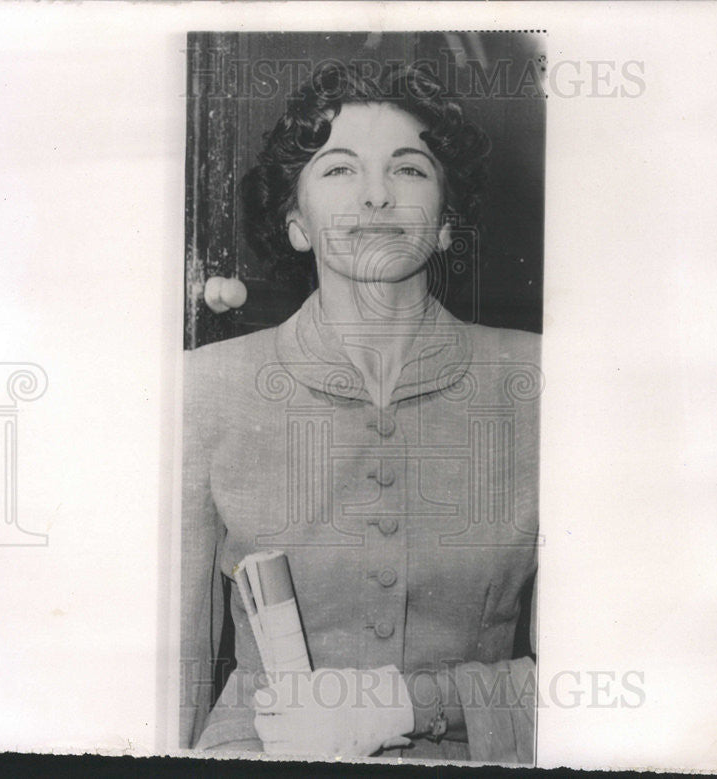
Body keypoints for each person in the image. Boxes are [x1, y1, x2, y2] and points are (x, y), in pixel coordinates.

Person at [181, 61, 541, 764]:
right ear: (296, 223)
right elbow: (173, 674)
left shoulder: (539, 379)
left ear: (444, 224)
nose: (376, 197)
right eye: (339, 170)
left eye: (409, 170)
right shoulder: (206, 387)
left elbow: (609, 675)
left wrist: (406, 705)